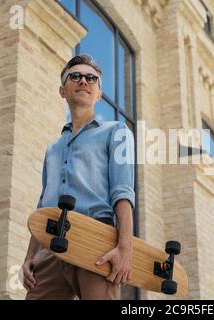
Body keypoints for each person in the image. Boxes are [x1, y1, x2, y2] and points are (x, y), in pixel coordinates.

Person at [21, 55, 135, 300]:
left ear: (99, 93)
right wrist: (30, 256)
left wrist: (125, 247)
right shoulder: (53, 148)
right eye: (75, 76)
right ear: (63, 90)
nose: (84, 81)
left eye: (91, 78)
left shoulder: (117, 132)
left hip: (96, 241)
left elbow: (122, 191)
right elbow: (43, 205)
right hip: (50, 247)